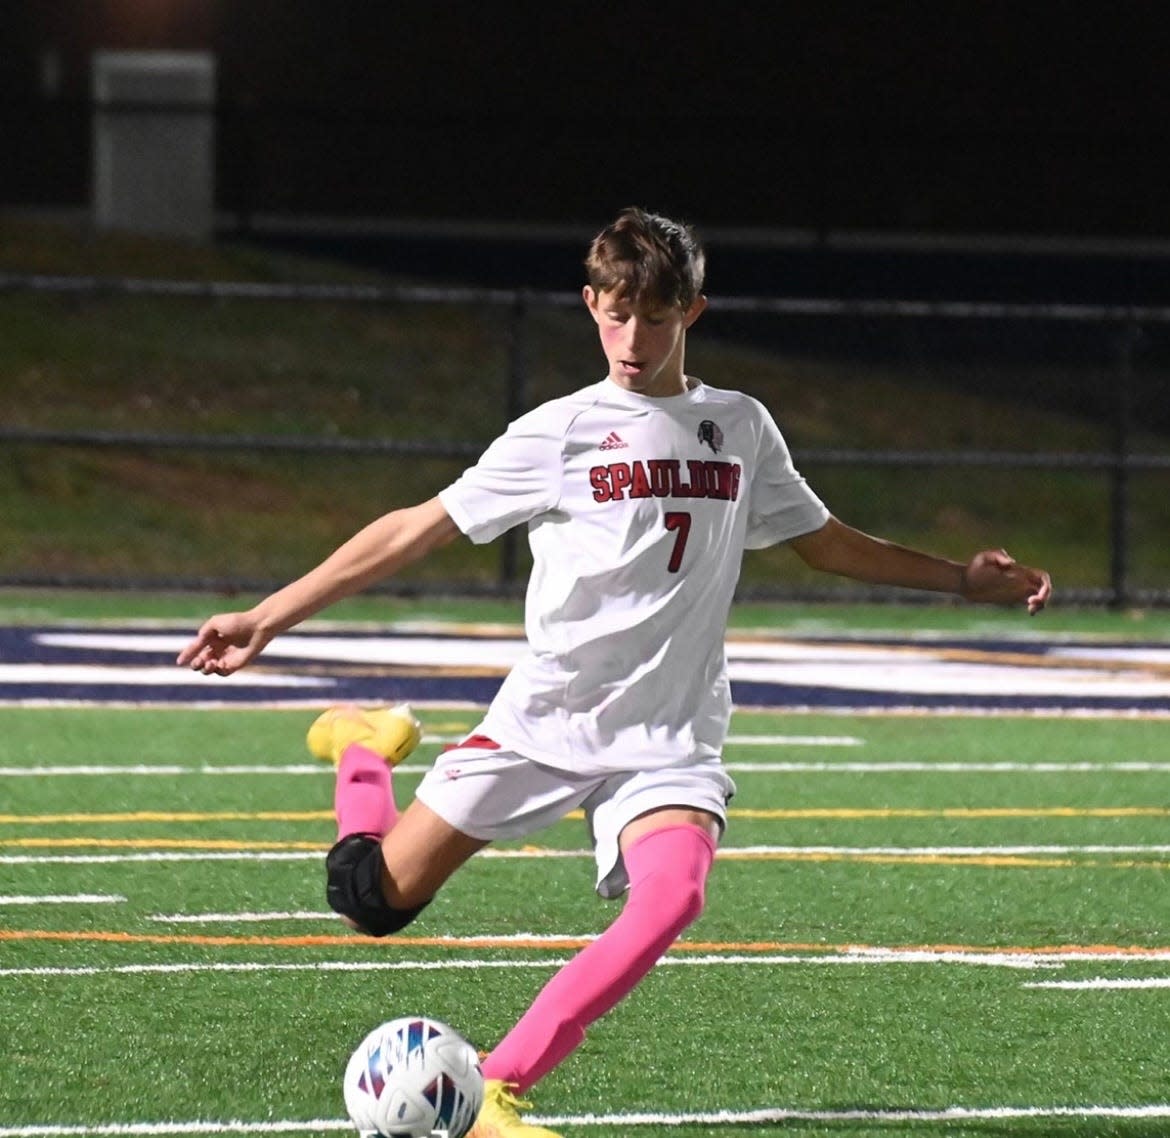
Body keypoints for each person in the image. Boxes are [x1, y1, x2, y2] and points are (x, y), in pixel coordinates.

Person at [177, 206, 1052, 1138]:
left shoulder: (741, 428)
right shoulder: (559, 431)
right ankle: (361, 754)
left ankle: (498, 1089)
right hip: (547, 719)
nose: (633, 338)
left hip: (669, 735)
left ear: (694, 313)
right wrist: (266, 616)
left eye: (657, 317)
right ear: (590, 304)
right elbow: (413, 528)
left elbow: (826, 543)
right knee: (368, 903)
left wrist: (959, 580)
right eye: (616, 313)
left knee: (674, 895)